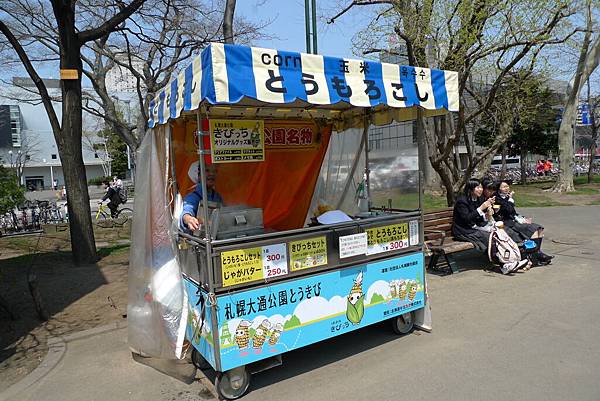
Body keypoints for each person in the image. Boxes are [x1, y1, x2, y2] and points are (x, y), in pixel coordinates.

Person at [492, 180, 553, 263]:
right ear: (498, 189)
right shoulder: (496, 198)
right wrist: (510, 199)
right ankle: (536, 255)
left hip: (514, 220)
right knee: (533, 230)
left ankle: (537, 253)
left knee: (539, 229)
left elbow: (513, 212)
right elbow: (508, 209)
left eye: (507, 186)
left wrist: (522, 218)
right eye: (504, 187)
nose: (506, 188)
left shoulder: (506, 197)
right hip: (506, 223)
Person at [452, 178, 496, 251]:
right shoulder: (462, 201)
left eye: (481, 187)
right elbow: (466, 219)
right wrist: (481, 208)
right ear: (470, 189)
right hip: (463, 230)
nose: (481, 190)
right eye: (478, 188)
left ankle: (502, 254)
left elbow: (478, 218)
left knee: (496, 232)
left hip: (474, 227)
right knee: (488, 237)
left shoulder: (479, 199)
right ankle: (494, 256)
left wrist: (487, 215)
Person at [180, 164, 223, 232]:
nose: (211, 174)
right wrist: (188, 219)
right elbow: (187, 210)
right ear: (199, 175)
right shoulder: (193, 197)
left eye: (214, 171)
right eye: (207, 170)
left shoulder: (217, 197)